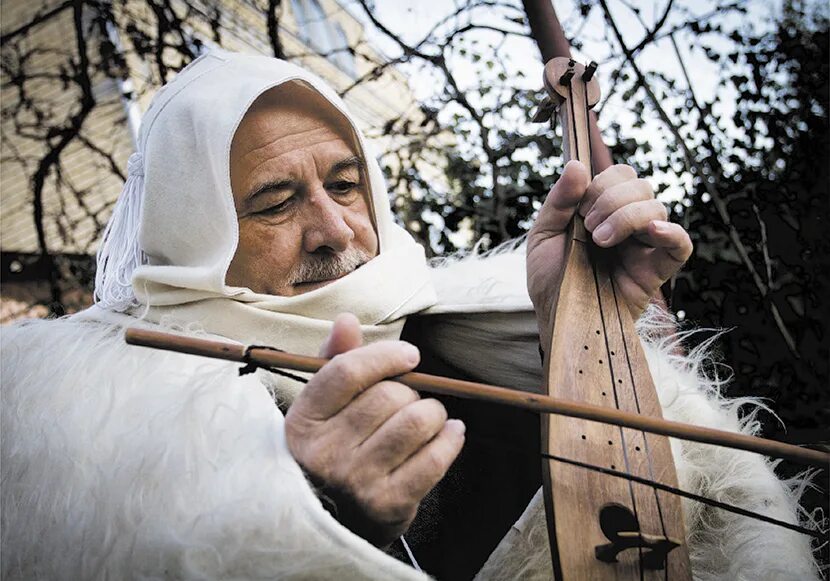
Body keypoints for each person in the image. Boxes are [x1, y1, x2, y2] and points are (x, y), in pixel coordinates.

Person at [1, 50, 817, 580]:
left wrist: (575, 311)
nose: (333, 228)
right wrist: (320, 513)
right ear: (194, 238)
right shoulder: (123, 425)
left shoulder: (469, 322)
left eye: (346, 184)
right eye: (277, 202)